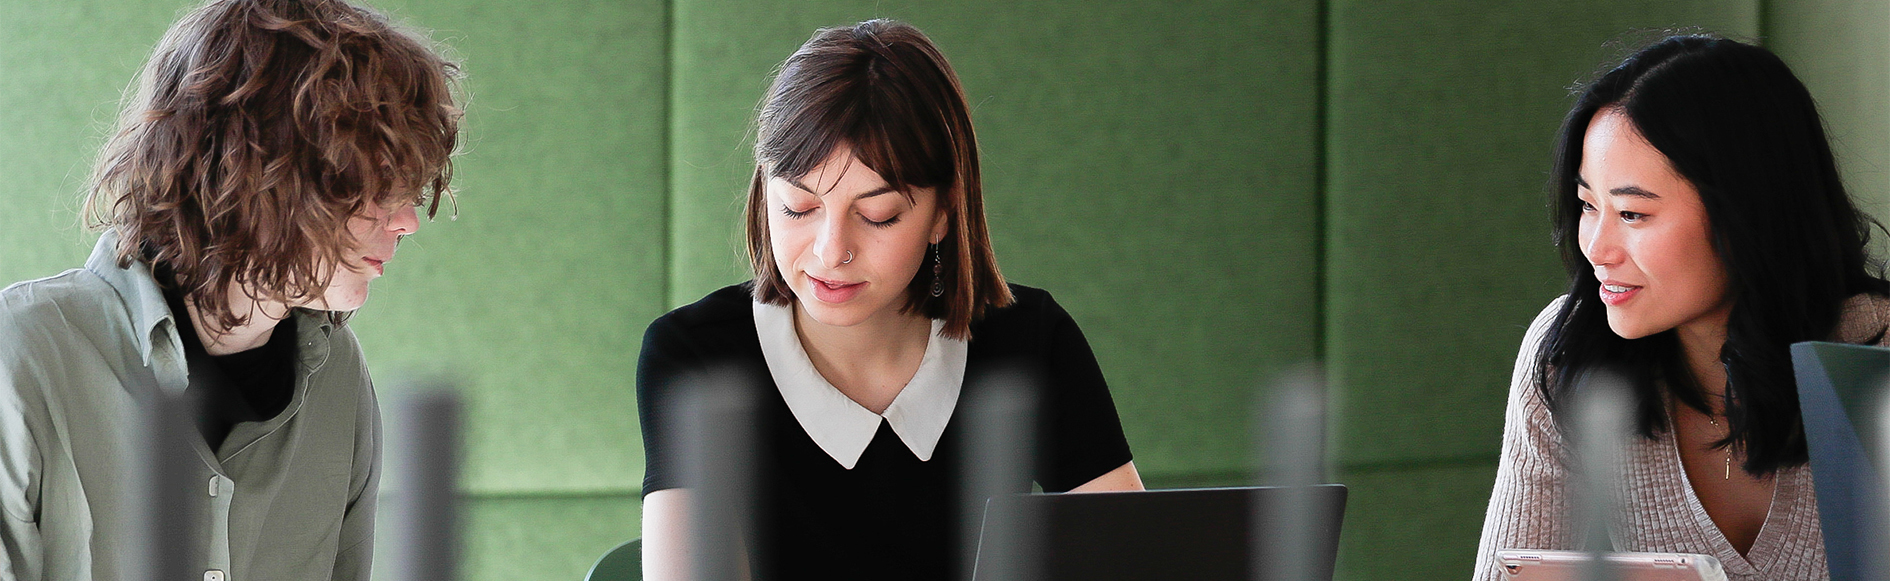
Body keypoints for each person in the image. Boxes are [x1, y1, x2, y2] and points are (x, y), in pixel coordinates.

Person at [636, 19, 1143, 581]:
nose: (831, 252)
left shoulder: (1031, 342)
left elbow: (1135, 558)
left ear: (943, 212)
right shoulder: (694, 360)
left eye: (878, 215)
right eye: (799, 208)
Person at [0, 0, 460, 579]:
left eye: (409, 186)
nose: (408, 220)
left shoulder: (337, 373)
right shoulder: (22, 355)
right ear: (251, 167)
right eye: (371, 181)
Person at [1473, 34, 1890, 581]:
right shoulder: (1565, 352)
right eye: (1587, 205)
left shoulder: (1877, 354)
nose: (1596, 249)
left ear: (1747, 212)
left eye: (1632, 214)